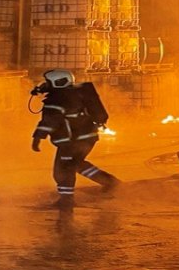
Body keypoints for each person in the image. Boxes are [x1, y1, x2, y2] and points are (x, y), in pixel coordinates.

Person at [31, 69, 119, 207]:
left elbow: (50, 121)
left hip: (71, 142)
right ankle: (109, 182)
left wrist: (37, 137)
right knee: (76, 164)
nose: (45, 84)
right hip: (87, 138)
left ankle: (66, 200)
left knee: (62, 170)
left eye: (48, 82)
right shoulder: (75, 93)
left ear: (57, 82)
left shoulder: (58, 99)